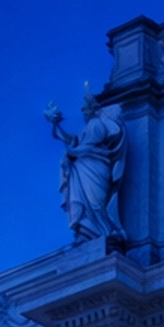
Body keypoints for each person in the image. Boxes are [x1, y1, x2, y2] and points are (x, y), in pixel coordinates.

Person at [44, 88, 126, 245]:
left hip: (95, 168)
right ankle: (89, 233)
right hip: (85, 168)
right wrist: (55, 124)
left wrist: (71, 152)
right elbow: (67, 138)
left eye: (85, 109)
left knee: (96, 204)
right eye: (83, 110)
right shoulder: (86, 130)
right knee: (86, 204)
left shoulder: (96, 125)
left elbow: (88, 147)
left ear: (93, 110)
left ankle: (105, 232)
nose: (83, 112)